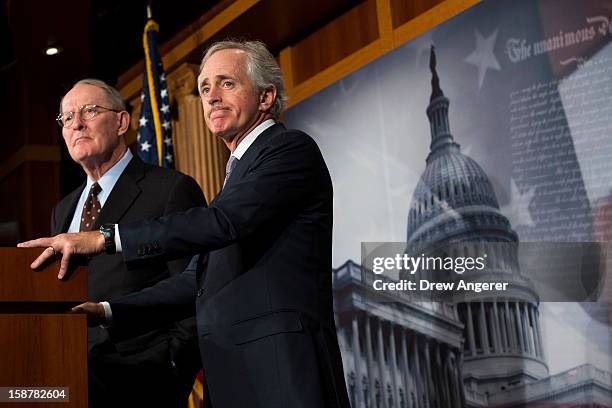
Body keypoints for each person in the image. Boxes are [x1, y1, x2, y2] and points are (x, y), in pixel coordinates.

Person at [20, 40, 350, 408]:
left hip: (279, 368)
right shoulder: (237, 173)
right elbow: (196, 279)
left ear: (266, 96)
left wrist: (104, 239)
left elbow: (223, 221)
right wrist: (107, 310)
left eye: (227, 83)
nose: (211, 97)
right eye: (205, 87)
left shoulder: (288, 149)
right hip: (234, 374)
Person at [50, 79, 205, 407]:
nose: (76, 123)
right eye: (66, 117)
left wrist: (172, 368)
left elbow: (196, 285)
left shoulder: (170, 189)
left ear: (122, 122)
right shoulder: (63, 210)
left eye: (89, 111)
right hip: (72, 380)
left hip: (143, 381)